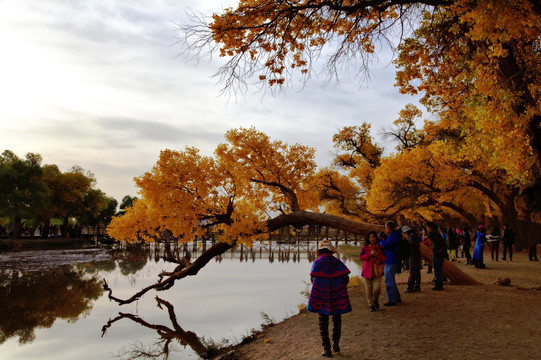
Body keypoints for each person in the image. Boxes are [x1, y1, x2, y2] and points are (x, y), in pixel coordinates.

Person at [307, 240, 352, 358]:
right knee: (337, 318)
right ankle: (335, 344)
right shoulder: (337, 262)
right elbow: (346, 277)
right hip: (336, 294)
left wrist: (319, 287)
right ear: (331, 251)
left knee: (323, 322)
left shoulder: (317, 263)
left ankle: (327, 350)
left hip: (321, 295)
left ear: (320, 251)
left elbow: (313, 278)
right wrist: (340, 288)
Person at [359, 231, 386, 312]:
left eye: (373, 237)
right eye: (370, 237)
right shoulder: (365, 247)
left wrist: (377, 254)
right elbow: (361, 257)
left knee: (377, 289)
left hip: (377, 271)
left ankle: (375, 299)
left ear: (376, 238)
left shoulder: (380, 247)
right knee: (368, 289)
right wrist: (369, 254)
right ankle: (371, 305)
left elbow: (384, 258)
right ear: (368, 238)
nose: (372, 239)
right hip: (367, 270)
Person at [381, 221, 401, 306]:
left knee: (389, 281)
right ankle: (396, 297)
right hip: (393, 260)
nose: (385, 230)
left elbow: (385, 245)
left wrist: (380, 240)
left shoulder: (393, 237)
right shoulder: (395, 235)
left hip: (391, 261)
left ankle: (392, 300)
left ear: (389, 228)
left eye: (386, 228)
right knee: (391, 280)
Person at [424, 222, 447, 291]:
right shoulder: (436, 232)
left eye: (427, 227)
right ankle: (439, 284)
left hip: (437, 252)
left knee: (437, 268)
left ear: (430, 227)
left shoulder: (432, 232)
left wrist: (423, 233)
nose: (427, 229)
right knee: (438, 268)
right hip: (442, 251)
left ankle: (438, 285)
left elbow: (423, 239)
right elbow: (431, 241)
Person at [403, 225, 421, 293]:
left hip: (413, 254)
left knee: (413, 270)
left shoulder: (411, 236)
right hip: (416, 254)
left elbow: (410, 245)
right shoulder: (414, 235)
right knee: (417, 271)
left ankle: (410, 286)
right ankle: (417, 286)